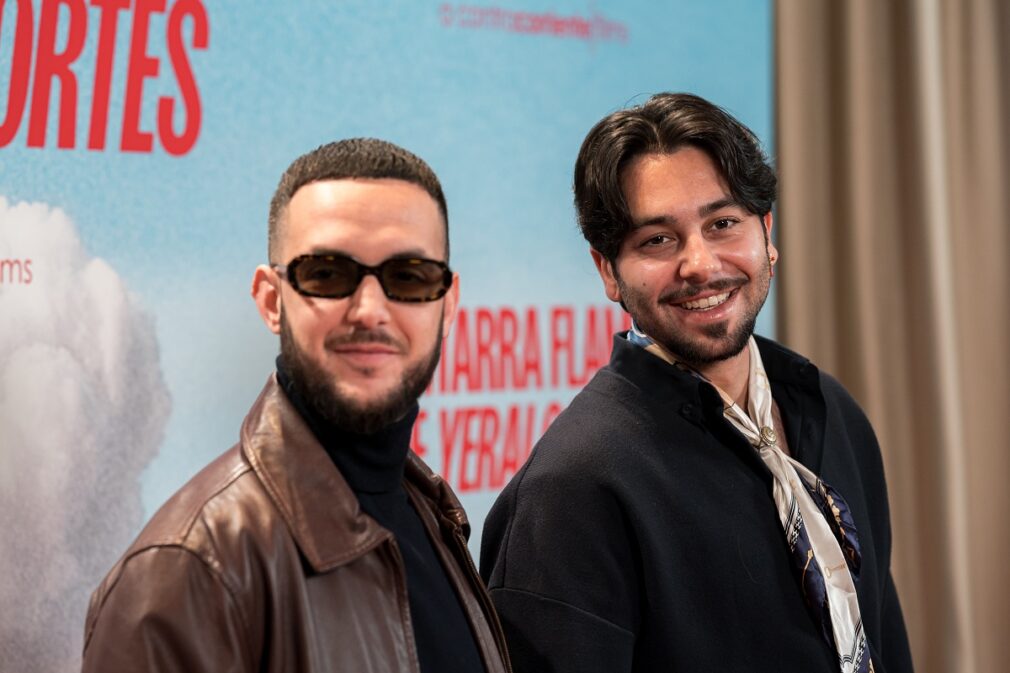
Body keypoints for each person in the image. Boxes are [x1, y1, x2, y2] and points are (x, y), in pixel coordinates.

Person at [480, 93, 914, 673]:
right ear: (608, 270)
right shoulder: (571, 490)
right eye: (657, 240)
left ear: (766, 233)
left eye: (723, 224)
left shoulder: (831, 409)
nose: (701, 264)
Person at [82, 139, 510, 673]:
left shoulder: (429, 511)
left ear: (447, 305)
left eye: (409, 277)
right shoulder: (187, 573)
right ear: (270, 300)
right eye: (327, 274)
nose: (370, 310)